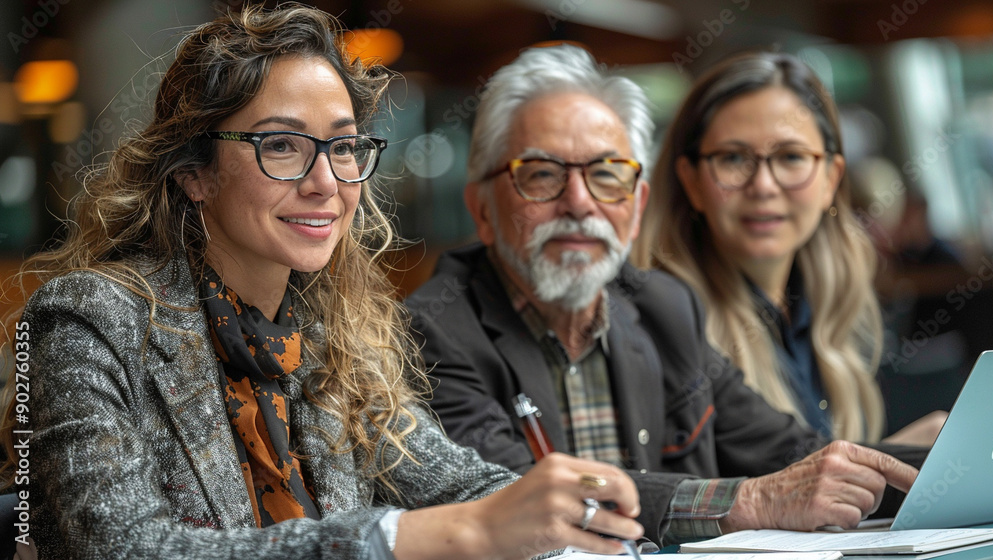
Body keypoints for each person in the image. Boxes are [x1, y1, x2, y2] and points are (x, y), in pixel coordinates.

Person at [0, 7, 647, 559]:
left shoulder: (327, 333)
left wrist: (548, 507)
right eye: (281, 145)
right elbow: (133, 551)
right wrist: (407, 537)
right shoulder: (85, 321)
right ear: (193, 172)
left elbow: (466, 489)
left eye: (342, 147)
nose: (326, 183)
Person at [405, 44, 921, 547]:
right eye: (542, 174)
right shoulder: (433, 329)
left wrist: (952, 468)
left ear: (636, 204)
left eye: (607, 174)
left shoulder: (663, 307)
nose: (580, 202)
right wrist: (748, 502)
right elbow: (516, 496)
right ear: (482, 210)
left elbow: (795, 457)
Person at [631, 52, 944, 446]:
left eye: (791, 157)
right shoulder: (659, 328)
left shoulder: (827, 306)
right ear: (691, 181)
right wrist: (895, 462)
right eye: (733, 158)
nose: (763, 185)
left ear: (831, 178)